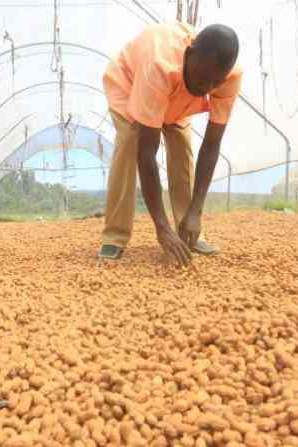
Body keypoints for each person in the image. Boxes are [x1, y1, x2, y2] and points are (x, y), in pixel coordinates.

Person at [98, 21, 242, 266]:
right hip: (130, 84)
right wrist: (161, 227)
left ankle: (189, 231)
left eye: (214, 83)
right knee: (129, 143)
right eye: (203, 78)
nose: (206, 88)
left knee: (182, 148)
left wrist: (196, 210)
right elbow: (146, 154)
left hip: (177, 94)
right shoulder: (159, 65)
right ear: (189, 55)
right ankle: (115, 235)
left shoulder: (226, 76)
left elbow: (211, 144)